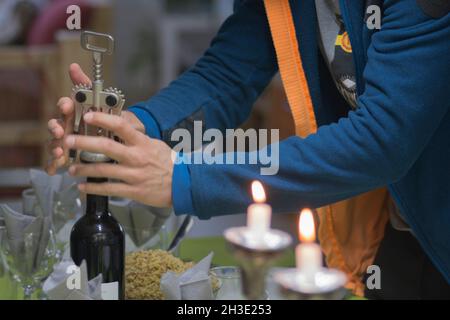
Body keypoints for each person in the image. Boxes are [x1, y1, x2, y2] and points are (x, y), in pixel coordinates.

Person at [46, 0, 450, 299]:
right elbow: (230, 72)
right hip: (395, 233)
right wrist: (134, 126)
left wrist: (184, 178)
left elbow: (383, 139)